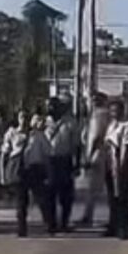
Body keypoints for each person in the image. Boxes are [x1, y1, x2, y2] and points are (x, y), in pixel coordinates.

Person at [1, 107, 53, 238]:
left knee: (42, 199)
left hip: (35, 170)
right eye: (21, 117)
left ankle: (50, 224)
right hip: (19, 170)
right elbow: (5, 154)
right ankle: (21, 228)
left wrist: (48, 172)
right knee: (21, 201)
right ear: (17, 119)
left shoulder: (38, 135)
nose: (24, 120)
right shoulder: (12, 133)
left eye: (26, 117)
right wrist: (3, 174)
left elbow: (47, 154)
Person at [104, 99, 128, 239]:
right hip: (110, 163)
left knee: (123, 197)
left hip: (122, 164)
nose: (114, 113)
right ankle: (113, 225)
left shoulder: (127, 125)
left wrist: (122, 165)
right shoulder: (111, 125)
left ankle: (125, 227)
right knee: (112, 197)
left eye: (117, 110)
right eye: (112, 110)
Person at [45, 98, 81, 234]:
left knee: (66, 196)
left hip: (64, 161)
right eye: (48, 106)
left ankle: (64, 223)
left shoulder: (71, 123)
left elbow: (77, 145)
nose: (50, 109)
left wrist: (76, 164)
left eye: (53, 106)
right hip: (48, 161)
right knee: (49, 195)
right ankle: (51, 224)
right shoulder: (43, 122)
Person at [79, 93, 109, 227]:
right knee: (99, 188)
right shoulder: (99, 115)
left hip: (97, 154)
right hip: (103, 153)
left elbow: (96, 137)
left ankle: (88, 217)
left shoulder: (99, 115)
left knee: (93, 188)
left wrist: (89, 156)